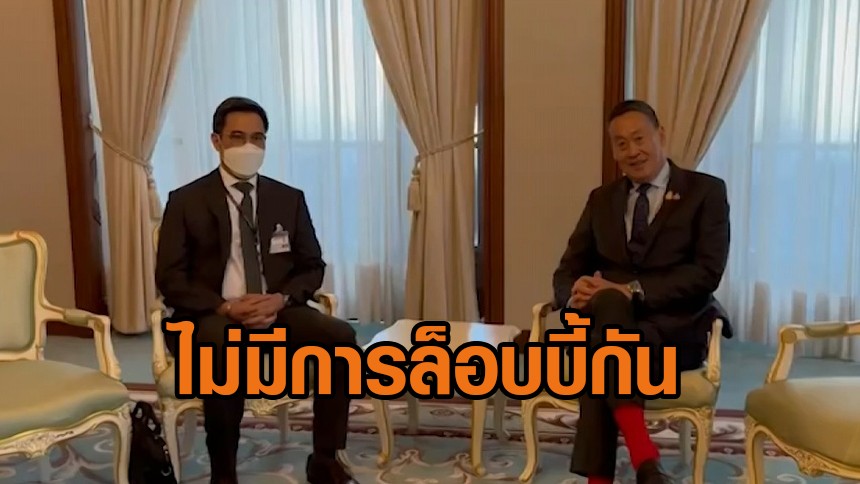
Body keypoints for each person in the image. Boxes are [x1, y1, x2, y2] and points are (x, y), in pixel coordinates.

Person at [155, 96, 360, 484]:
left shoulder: (288, 199)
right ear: (216, 141)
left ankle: (325, 459)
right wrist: (225, 307)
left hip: (276, 309)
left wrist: (280, 299)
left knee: (340, 338)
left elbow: (312, 266)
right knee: (222, 348)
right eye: (237, 137)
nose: (249, 146)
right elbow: (170, 278)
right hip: (210, 316)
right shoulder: (185, 201)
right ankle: (224, 474)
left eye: (258, 138)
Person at [551, 100, 732, 483]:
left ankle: (618, 467)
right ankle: (644, 460)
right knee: (607, 323)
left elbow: (707, 273)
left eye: (639, 139)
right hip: (611, 328)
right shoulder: (602, 199)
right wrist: (573, 292)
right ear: (613, 151)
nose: (632, 151)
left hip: (672, 333)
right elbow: (567, 270)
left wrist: (630, 289)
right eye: (621, 144)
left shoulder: (705, 192)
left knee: (600, 352)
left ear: (660, 136)